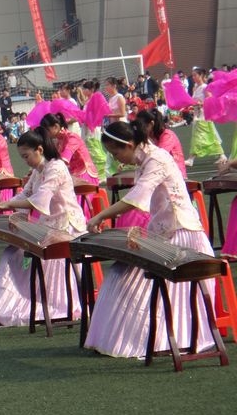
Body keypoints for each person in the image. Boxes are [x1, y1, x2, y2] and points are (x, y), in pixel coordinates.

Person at [84, 120, 217, 358]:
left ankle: (166, 338)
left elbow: (138, 197)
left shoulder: (157, 158)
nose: (115, 158)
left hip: (182, 235)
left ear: (130, 144)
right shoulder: (144, 160)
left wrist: (101, 215)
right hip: (164, 234)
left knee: (130, 280)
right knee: (119, 275)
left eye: (116, 152)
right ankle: (123, 338)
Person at [0, 128, 86, 326]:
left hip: (66, 227)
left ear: (39, 150)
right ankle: (26, 302)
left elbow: (39, 200)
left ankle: (56, 305)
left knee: (22, 258)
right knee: (12, 254)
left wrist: (2, 205)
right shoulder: (38, 170)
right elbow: (25, 195)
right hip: (48, 225)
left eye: (26, 156)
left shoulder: (56, 168)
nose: (25, 161)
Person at [185, 67, 226, 167]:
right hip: (197, 114)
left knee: (200, 135)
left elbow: (210, 100)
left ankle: (191, 158)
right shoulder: (195, 87)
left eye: (195, 75)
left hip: (203, 115)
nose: (193, 77)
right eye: (193, 75)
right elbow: (194, 100)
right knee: (209, 135)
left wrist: (200, 104)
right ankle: (222, 155)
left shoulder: (205, 87)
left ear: (201, 75)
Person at [135, 108, 186, 178]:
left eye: (142, 126)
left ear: (151, 124)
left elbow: (158, 157)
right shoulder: (151, 137)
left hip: (175, 174)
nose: (140, 129)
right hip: (161, 172)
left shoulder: (167, 135)